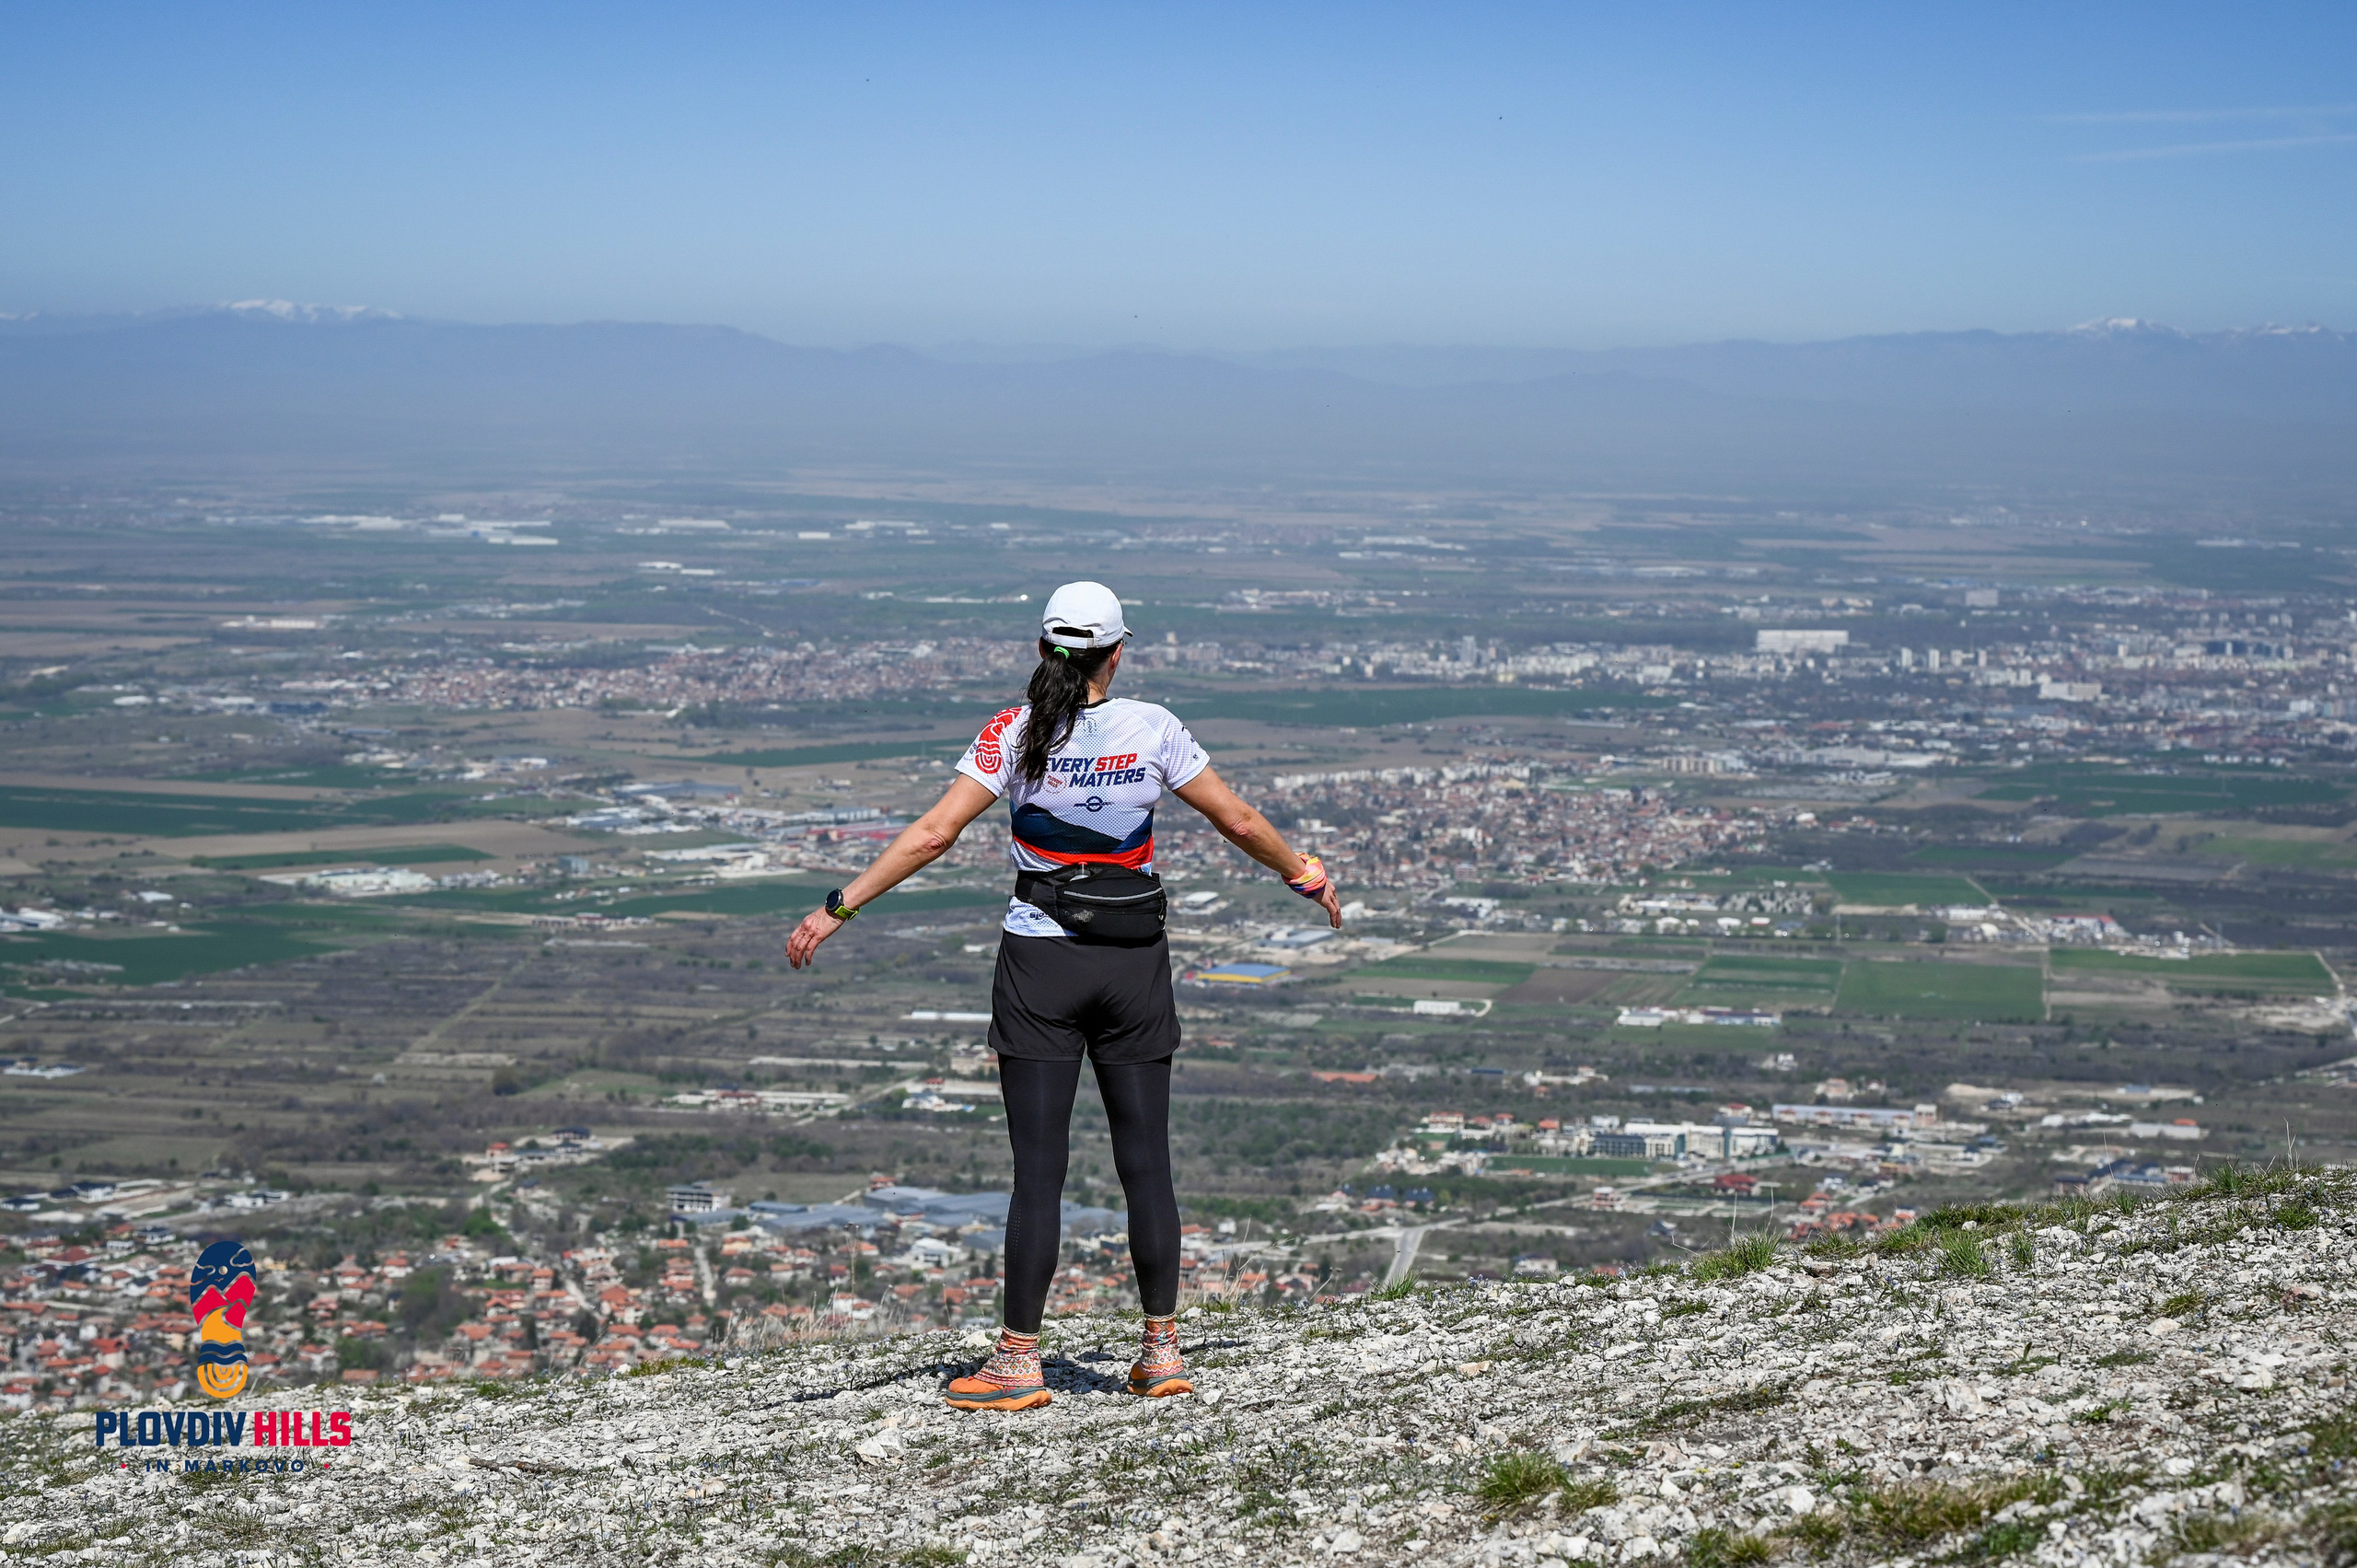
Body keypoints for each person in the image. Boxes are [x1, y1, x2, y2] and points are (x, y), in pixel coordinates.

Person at [787, 581, 1341, 1411]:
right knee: (1146, 1162)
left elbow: (935, 833)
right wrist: (1303, 872)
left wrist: (839, 907)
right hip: (1133, 960)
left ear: (1044, 650)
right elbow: (1237, 819)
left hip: (1041, 963)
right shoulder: (1153, 726)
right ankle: (1161, 1352)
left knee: (1037, 1173)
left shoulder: (1014, 731)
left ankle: (1018, 1364)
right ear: (1118, 652)